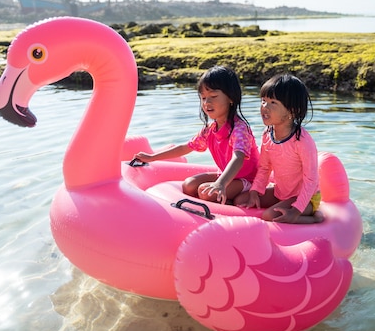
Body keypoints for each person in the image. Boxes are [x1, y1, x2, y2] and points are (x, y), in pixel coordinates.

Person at [133, 66, 259, 204]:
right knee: (189, 185)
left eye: (213, 96)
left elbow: (238, 158)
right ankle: (227, 199)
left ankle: (230, 200)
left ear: (231, 98)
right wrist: (151, 158)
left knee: (206, 193)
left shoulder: (239, 129)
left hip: (247, 179)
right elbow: (185, 148)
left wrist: (221, 183)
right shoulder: (210, 129)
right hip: (226, 176)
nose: (207, 103)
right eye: (203, 98)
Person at [234, 73, 324, 224]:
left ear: (292, 111)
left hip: (305, 198)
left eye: (273, 103)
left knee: (270, 216)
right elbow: (264, 167)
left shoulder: (301, 141)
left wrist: (296, 211)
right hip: (280, 193)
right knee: (240, 199)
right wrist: (255, 191)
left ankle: (314, 218)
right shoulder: (267, 135)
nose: (265, 107)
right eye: (263, 101)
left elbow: (311, 179)